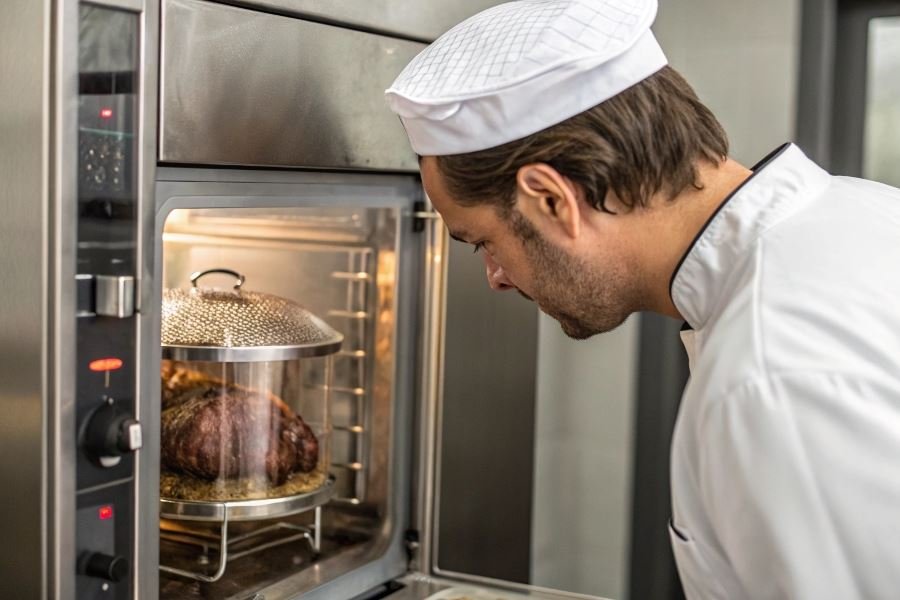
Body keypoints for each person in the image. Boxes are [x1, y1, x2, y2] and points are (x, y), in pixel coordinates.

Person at [385, 1, 900, 599]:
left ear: (551, 200)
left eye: (483, 242)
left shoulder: (767, 383)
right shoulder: (866, 208)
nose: (495, 277)